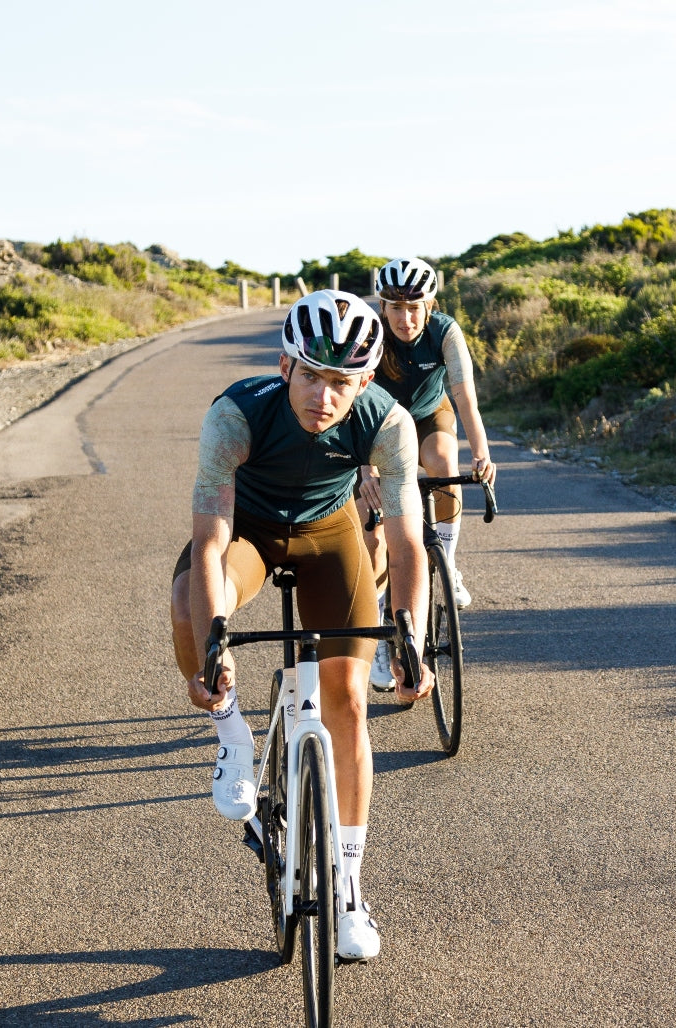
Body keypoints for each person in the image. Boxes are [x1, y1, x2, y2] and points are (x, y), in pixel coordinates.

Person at [170, 289, 433, 962]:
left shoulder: (387, 424)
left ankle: (348, 888)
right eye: (311, 375)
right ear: (286, 366)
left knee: (347, 702)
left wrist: (412, 637)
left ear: (365, 382)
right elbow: (208, 545)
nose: (324, 395)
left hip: (328, 535)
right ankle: (230, 730)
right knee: (189, 602)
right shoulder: (236, 415)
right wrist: (214, 644)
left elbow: (406, 547)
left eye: (342, 381)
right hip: (250, 534)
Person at [356, 257, 496, 689]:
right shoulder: (370, 334)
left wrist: (483, 454)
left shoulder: (445, 331)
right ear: (383, 307)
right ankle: (382, 629)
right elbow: (356, 404)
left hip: (428, 412)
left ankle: (447, 562)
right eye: (395, 308)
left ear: (429, 303)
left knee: (441, 460)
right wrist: (366, 472)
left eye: (415, 307)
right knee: (373, 525)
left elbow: (464, 397)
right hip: (377, 422)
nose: (405, 317)